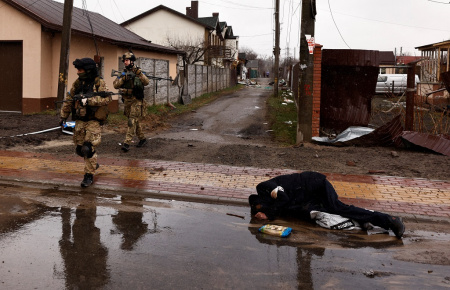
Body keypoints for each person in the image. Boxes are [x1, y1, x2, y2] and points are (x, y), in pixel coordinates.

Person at [248, 171, 405, 238]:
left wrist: (268, 214)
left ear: (259, 199)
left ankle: (390, 220)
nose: (261, 209)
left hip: (316, 184)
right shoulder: (270, 198)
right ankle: (364, 220)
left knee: (338, 208)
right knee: (331, 213)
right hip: (310, 195)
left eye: (260, 207)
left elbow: (283, 198)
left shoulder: (264, 187)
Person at [59, 58, 112, 187]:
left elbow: (107, 98)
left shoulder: (99, 82)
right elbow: (69, 100)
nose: (78, 72)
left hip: (93, 120)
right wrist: (63, 117)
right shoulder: (77, 83)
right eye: (77, 70)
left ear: (88, 70)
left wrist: (89, 101)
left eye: (80, 70)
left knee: (88, 148)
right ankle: (93, 164)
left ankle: (88, 175)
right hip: (80, 120)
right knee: (79, 149)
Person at [113, 51, 150, 152]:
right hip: (127, 101)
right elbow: (115, 85)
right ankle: (142, 139)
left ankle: (127, 143)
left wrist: (139, 74)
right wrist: (123, 79)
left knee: (131, 121)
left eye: (127, 60)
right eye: (124, 60)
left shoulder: (138, 72)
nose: (125, 62)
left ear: (132, 61)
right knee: (135, 121)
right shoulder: (123, 73)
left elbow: (146, 82)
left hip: (136, 100)